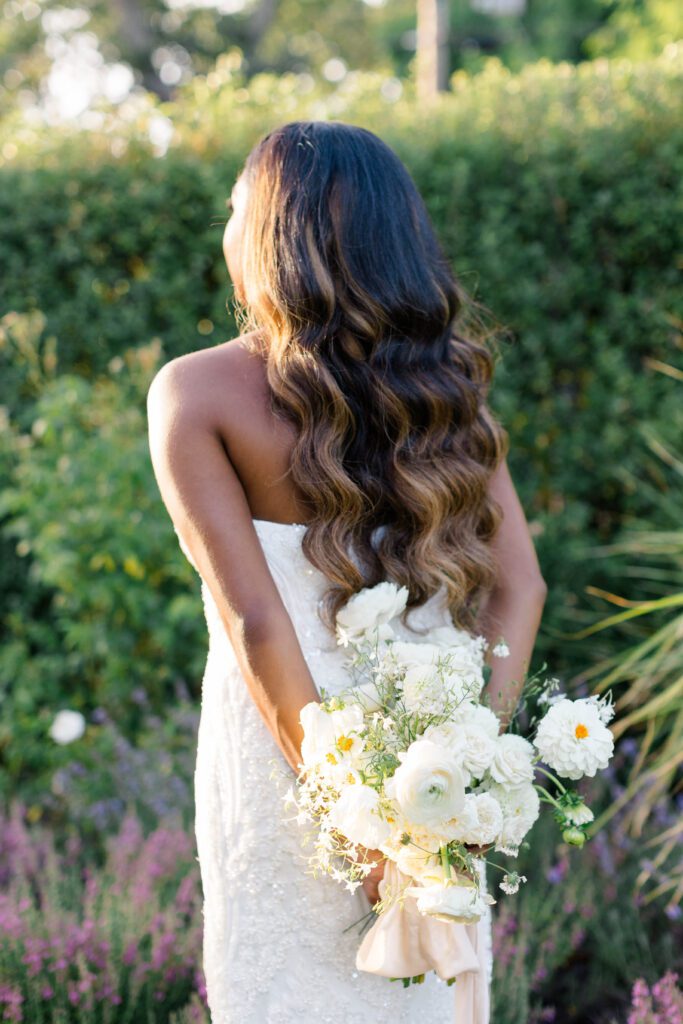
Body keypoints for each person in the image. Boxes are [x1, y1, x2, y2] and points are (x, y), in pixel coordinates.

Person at [147, 120, 547, 1024]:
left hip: (288, 761)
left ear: (271, 232)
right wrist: (456, 781)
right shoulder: (448, 389)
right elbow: (522, 588)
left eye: (233, 206)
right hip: (434, 762)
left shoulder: (195, 393)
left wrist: (359, 822)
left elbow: (257, 624)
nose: (225, 226)